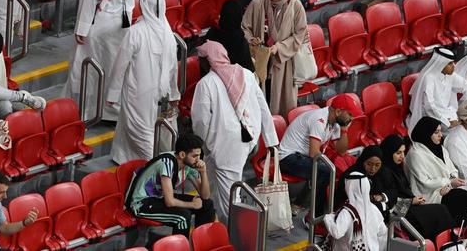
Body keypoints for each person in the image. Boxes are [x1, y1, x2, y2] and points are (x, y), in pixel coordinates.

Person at [191, 40, 278, 221]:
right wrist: (271, 140)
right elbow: (263, 107)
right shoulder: (245, 74)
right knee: (217, 184)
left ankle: (236, 233)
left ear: (207, 61)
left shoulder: (206, 84)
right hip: (247, 139)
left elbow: (200, 121)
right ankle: (218, 225)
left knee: (230, 197)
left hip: (225, 147)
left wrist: (201, 146)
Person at [107, 0, 180, 165]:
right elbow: (173, 69)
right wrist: (173, 93)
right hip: (154, 92)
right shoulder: (168, 33)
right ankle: (123, 159)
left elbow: (119, 66)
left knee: (141, 131)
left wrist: (112, 94)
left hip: (138, 92)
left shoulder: (136, 32)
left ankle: (152, 167)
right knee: (130, 126)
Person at [278, 95, 360, 218]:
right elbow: (314, 153)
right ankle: (316, 215)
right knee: (325, 171)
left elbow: (341, 151)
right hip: (287, 157)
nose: (352, 118)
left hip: (302, 156)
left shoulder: (336, 122)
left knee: (326, 168)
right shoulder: (319, 119)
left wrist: (344, 130)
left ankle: (299, 203)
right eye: (349, 114)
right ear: (338, 111)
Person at [241, 0, 308, 116]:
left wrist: (279, 48)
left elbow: (300, 34)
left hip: (284, 62)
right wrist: (251, 39)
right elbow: (245, 27)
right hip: (260, 59)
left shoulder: (295, 6)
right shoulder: (257, 2)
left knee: (281, 101)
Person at [124, 133, 216, 238]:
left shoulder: (189, 165)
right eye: (195, 156)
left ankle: (202, 244)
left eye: (199, 155)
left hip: (160, 198)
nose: (198, 160)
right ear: (182, 155)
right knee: (182, 217)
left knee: (207, 204)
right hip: (143, 204)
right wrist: (192, 205)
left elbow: (205, 196)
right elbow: (170, 202)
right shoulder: (167, 164)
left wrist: (203, 172)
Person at [405, 116, 467, 226]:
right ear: (426, 133)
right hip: (429, 195)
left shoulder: (439, 148)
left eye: (440, 131)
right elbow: (425, 183)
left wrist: (451, 182)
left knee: (465, 198)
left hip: (446, 189)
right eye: (436, 132)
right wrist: (448, 182)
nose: (440, 135)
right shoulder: (415, 154)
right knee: (462, 199)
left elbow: (451, 169)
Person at [374, 135, 455, 240]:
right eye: (398, 153)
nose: (402, 156)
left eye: (403, 152)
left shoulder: (396, 168)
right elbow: (388, 205)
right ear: (389, 152)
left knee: (441, 210)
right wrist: (411, 201)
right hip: (398, 215)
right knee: (439, 211)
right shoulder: (383, 173)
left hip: (408, 209)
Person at [406, 47, 466, 133]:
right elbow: (429, 106)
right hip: (429, 116)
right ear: (441, 64)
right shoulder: (429, 78)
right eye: (450, 63)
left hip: (443, 112)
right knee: (457, 131)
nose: (454, 66)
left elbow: (465, 85)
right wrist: (447, 122)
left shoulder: (449, 74)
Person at [323, 172, 388, 251]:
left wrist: (328, 218)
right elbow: (382, 231)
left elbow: (337, 232)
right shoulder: (374, 208)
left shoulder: (346, 212)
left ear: (348, 187)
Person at [0, 170, 39, 249]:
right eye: (1, 192)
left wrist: (24, 223)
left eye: (5, 192)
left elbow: (4, 228)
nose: (5, 196)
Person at [205, 0, 254, 72]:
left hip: (212, 77)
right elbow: (249, 71)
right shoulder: (240, 42)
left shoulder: (211, 34)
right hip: (234, 80)